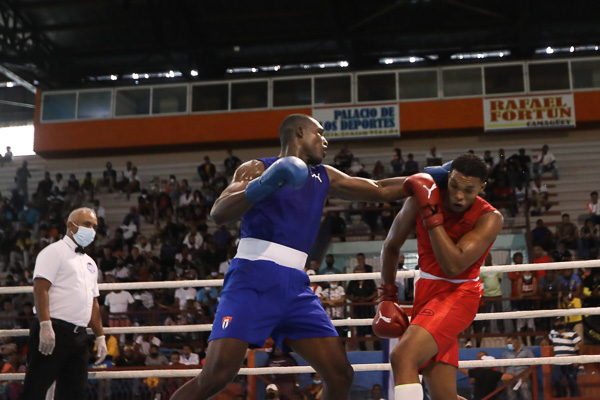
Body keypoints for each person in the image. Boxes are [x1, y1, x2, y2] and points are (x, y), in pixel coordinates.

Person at [171, 114, 420, 400]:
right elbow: (219, 213)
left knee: (340, 374)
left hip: (296, 288)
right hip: (253, 280)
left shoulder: (324, 175)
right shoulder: (257, 168)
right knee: (217, 375)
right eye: (321, 133)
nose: (326, 141)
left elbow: (380, 188)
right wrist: (266, 183)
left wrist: (430, 178)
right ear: (300, 132)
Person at [375, 154, 503, 400]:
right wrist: (387, 295)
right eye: (454, 185)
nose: (458, 196)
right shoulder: (424, 197)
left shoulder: (490, 218)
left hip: (459, 294)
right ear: (448, 178)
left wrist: (432, 215)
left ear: (482, 188)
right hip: (426, 293)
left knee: (403, 357)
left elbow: (453, 265)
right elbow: (391, 246)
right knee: (444, 397)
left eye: (468, 190)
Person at [19, 207, 107, 400]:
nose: (91, 229)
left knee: (74, 394)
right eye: (86, 224)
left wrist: (100, 336)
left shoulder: (90, 262)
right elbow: (40, 289)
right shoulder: (53, 252)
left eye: (94, 226)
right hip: (54, 330)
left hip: (80, 337)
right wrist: (45, 324)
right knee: (35, 390)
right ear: (70, 225)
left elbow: (92, 302)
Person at [549, 317, 582, 397]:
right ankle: (563, 394)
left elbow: (582, 347)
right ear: (554, 323)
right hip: (558, 362)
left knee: (572, 383)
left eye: (561, 321)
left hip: (570, 362)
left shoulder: (572, 334)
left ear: (564, 322)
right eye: (557, 321)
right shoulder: (552, 333)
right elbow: (547, 341)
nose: (559, 323)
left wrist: (577, 359)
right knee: (555, 380)